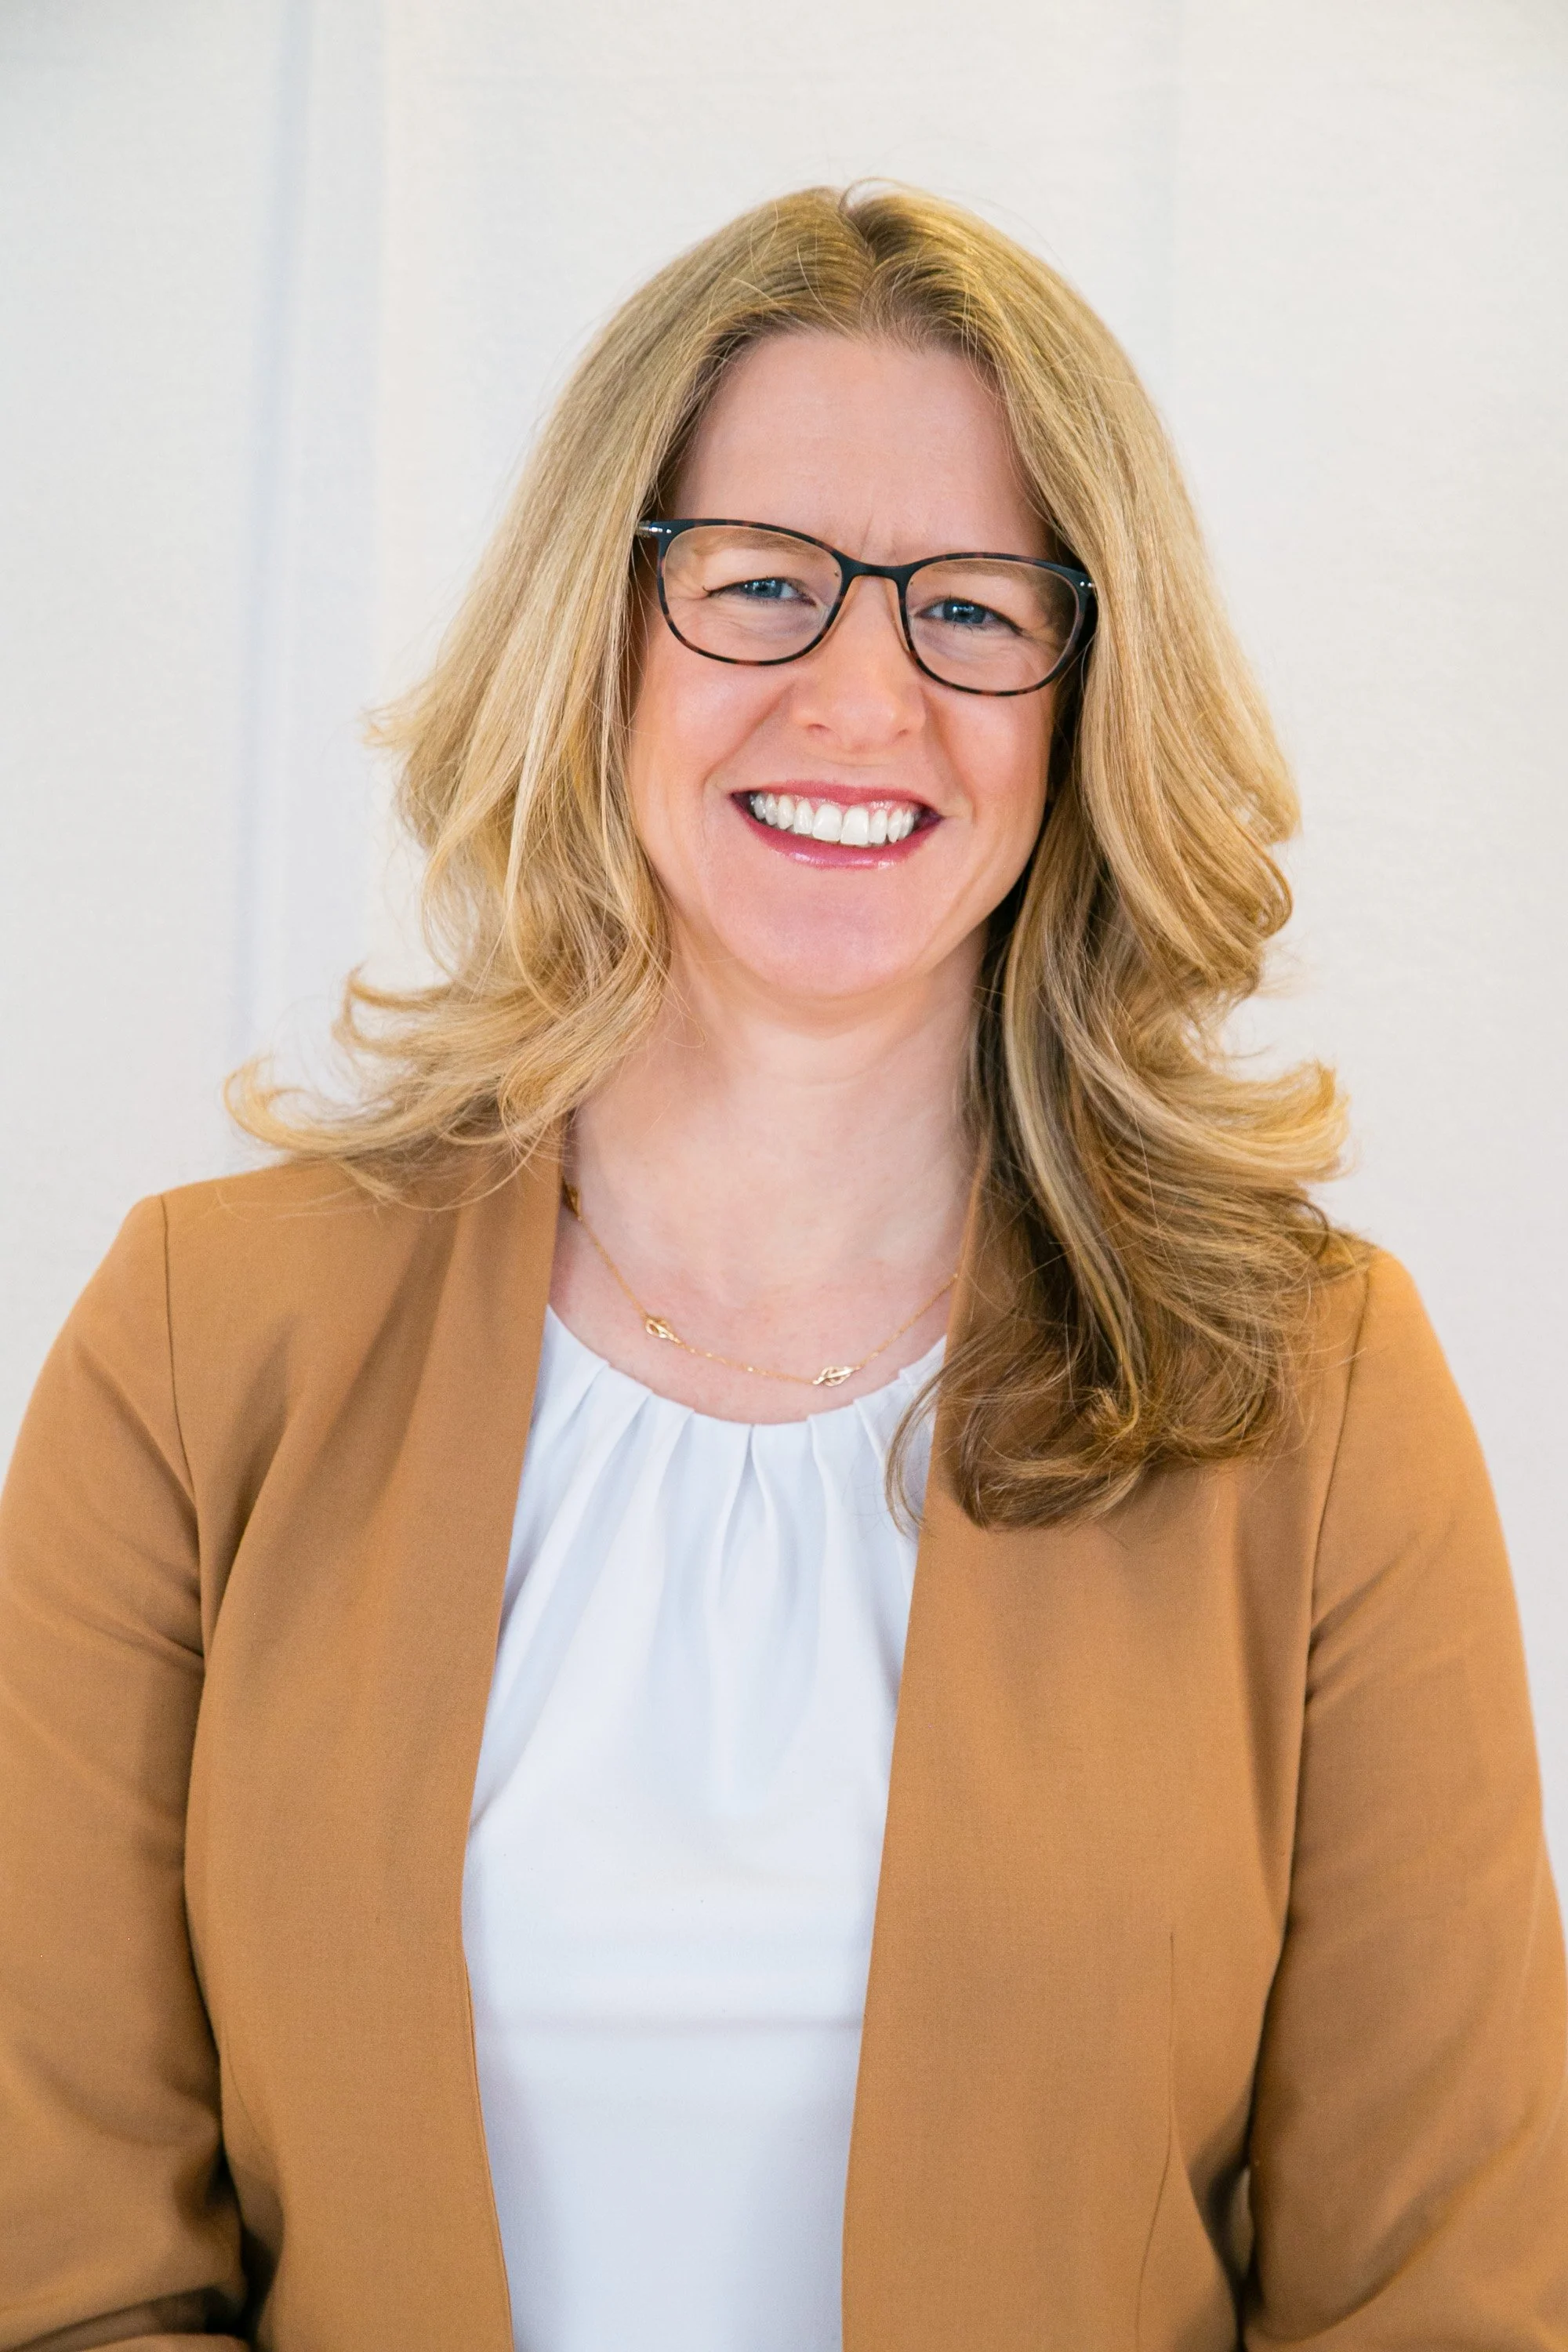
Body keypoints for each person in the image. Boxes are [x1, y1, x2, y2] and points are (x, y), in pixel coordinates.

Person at [1, 183, 1563, 2352]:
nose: (862, 698)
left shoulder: (1315, 1392)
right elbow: (63, 2269)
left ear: (1084, 696)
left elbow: (1446, 2295)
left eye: (975, 612)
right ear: (602, 635)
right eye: (761, 587)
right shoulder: (198, 1348)